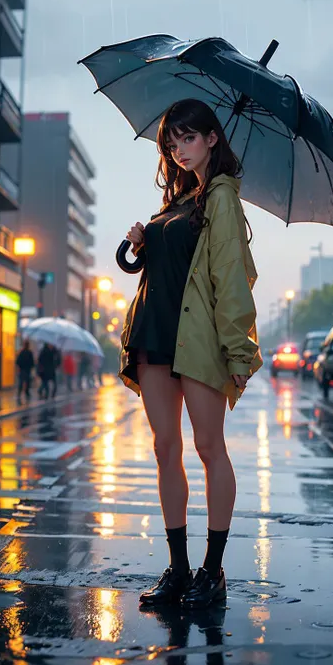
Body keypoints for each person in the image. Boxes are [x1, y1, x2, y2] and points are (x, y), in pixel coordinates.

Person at [119, 98, 263, 609]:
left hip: (198, 340)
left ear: (212, 139)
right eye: (172, 141)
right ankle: (178, 569)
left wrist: (237, 348)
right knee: (164, 449)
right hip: (155, 335)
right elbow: (168, 267)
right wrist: (142, 243)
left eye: (188, 137)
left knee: (208, 449)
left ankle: (213, 570)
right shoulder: (180, 199)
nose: (179, 148)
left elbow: (229, 274)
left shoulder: (221, 196)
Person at [16, 340, 35, 404]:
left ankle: (19, 393)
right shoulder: (29, 353)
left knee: (21, 382)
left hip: (22, 369)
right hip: (27, 370)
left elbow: (18, 361)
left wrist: (20, 367)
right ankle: (26, 393)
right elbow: (32, 363)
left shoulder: (21, 352)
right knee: (27, 382)